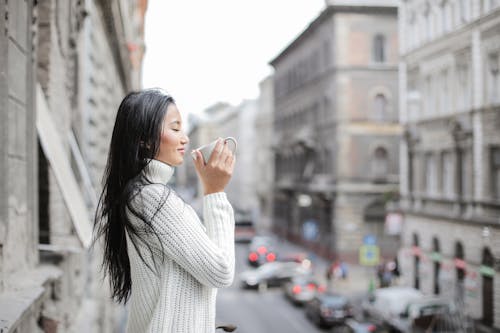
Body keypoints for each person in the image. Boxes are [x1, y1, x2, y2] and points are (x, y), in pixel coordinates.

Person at [93, 89, 236, 333]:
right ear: (145, 140)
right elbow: (221, 271)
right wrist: (215, 192)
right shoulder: (153, 198)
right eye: (175, 128)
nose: (185, 139)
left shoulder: (141, 194)